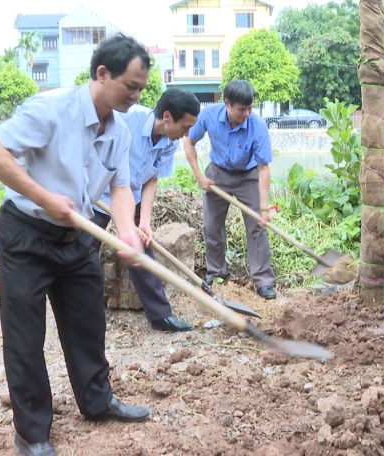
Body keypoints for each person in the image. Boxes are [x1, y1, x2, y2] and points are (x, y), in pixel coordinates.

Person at [0, 34, 153, 456]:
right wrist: (45, 197)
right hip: (26, 234)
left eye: (141, 89)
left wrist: (127, 231)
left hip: (77, 237)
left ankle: (97, 401)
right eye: (130, 85)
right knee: (25, 336)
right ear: (102, 73)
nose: (135, 95)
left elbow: (121, 187)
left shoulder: (121, 128)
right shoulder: (51, 109)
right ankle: (33, 432)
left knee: (87, 324)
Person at [90, 89, 200, 333]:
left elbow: (151, 180)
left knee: (141, 247)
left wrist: (145, 222)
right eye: (186, 126)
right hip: (99, 193)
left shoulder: (169, 143)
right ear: (168, 117)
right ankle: (85, 310)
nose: (187, 134)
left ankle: (161, 316)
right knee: (83, 249)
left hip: (134, 195)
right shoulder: (127, 119)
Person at [184, 80, 277, 300]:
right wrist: (199, 176)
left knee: (256, 226)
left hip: (248, 175)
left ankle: (263, 280)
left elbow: (264, 168)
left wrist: (263, 208)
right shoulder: (209, 116)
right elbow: (189, 141)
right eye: (242, 109)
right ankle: (216, 273)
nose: (247, 113)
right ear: (227, 104)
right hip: (218, 173)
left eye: (250, 108)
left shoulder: (258, 127)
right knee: (211, 226)